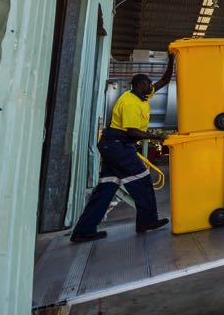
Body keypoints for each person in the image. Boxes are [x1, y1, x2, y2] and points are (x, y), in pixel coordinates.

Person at [71, 55, 175, 243]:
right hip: (117, 145)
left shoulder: (143, 95)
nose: (151, 86)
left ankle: (83, 230)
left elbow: (165, 80)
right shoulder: (129, 102)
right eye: (147, 84)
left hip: (114, 145)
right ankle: (147, 221)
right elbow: (133, 132)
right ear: (138, 85)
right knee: (142, 180)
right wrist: (156, 136)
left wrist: (172, 59)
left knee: (107, 188)